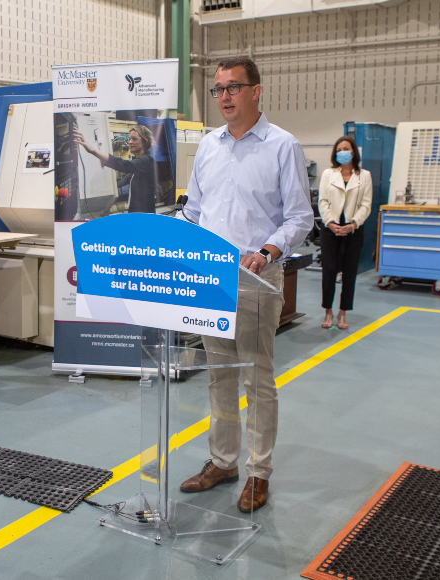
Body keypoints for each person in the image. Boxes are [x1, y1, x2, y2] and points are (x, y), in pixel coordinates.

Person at [177, 57, 313, 512]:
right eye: (217, 89)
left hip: (255, 279)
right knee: (219, 377)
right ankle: (223, 461)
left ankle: (258, 472)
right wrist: (170, 241)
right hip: (211, 280)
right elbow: (193, 212)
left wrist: (268, 251)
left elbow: (300, 217)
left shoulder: (282, 146)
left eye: (233, 87)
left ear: (256, 90)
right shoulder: (208, 146)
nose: (224, 97)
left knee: (256, 379)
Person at [318, 136, 372, 330]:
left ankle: (342, 313)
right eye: (339, 149)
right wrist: (330, 222)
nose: (343, 152)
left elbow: (366, 205)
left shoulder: (364, 176)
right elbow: (322, 201)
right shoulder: (328, 174)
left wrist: (354, 224)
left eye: (346, 148)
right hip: (330, 229)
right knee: (329, 271)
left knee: (349, 273)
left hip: (353, 229)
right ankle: (328, 311)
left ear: (353, 152)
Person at [72, 124, 158, 213]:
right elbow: (126, 179)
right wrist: (107, 190)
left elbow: (125, 165)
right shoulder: (139, 163)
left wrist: (92, 150)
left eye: (134, 139)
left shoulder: (147, 160)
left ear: (144, 141)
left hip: (144, 214)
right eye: (129, 139)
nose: (130, 142)